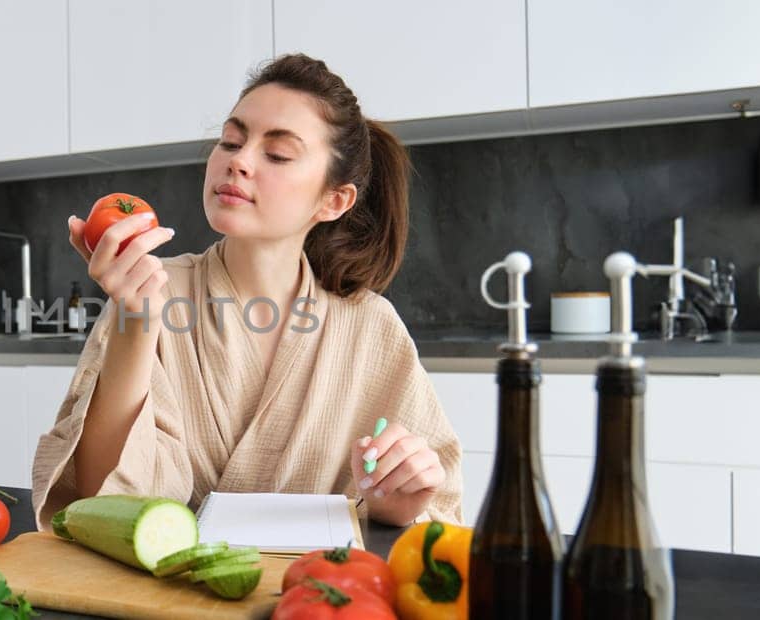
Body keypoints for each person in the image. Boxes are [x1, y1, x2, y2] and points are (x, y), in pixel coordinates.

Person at [31, 54, 463, 541]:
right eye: (231, 141)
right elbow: (103, 502)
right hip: (168, 591)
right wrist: (135, 321)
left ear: (333, 200)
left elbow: (437, 509)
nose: (238, 160)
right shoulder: (150, 290)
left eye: (277, 154)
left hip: (316, 598)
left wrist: (395, 502)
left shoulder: (370, 326)